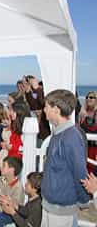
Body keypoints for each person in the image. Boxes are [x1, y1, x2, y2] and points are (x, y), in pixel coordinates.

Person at [41, 89, 90, 227]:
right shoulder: (58, 134)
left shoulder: (71, 137)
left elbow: (79, 172)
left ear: (56, 110)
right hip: (50, 204)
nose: (44, 110)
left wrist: (84, 199)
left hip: (61, 209)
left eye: (46, 107)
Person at [79, 91, 97, 173]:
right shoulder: (81, 113)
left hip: (94, 149)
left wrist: (86, 116)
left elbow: (92, 129)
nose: (88, 99)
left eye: (91, 97)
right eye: (87, 97)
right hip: (84, 148)